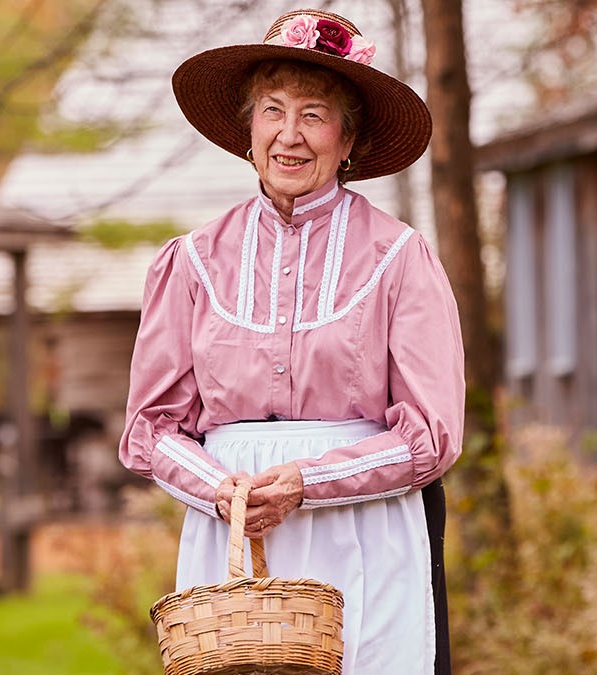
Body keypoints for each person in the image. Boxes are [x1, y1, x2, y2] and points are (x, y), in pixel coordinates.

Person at [119, 10, 460, 674]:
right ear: (248, 131)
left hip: (361, 531)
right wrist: (220, 489)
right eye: (272, 111)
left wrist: (311, 480)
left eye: (314, 114)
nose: (289, 134)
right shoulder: (191, 260)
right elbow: (148, 428)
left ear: (347, 139)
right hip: (231, 539)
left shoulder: (400, 257)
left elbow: (432, 433)